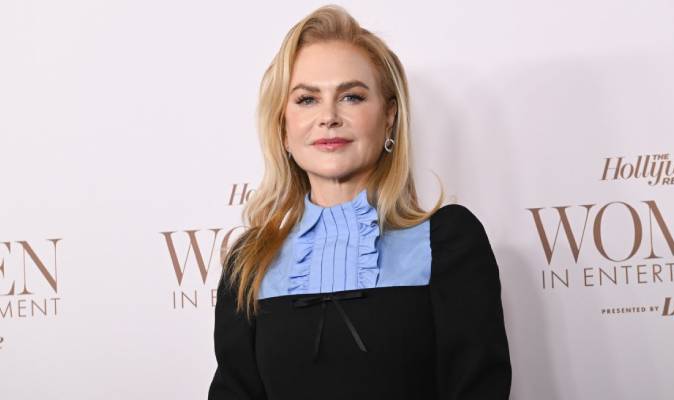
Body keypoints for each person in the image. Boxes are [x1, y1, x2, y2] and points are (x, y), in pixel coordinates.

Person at [208, 4, 511, 399]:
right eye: (306, 99)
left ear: (389, 116)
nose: (329, 117)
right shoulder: (250, 262)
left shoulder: (448, 242)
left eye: (351, 96)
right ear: (282, 127)